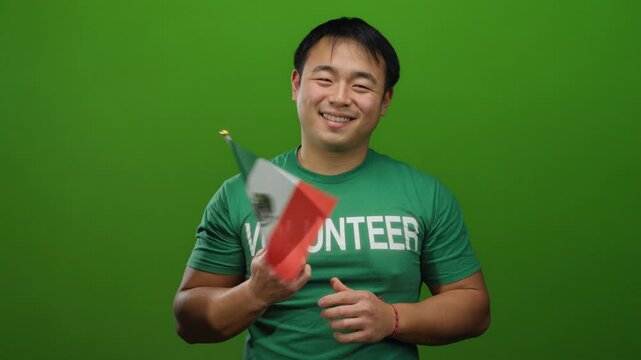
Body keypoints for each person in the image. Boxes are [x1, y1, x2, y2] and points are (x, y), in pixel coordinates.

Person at [173, 17, 490, 359]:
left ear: (385, 101)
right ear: (296, 84)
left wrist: (393, 318)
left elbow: (474, 309)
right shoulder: (240, 193)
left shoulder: (424, 193)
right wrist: (255, 292)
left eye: (361, 86)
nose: (339, 98)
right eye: (324, 79)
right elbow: (188, 321)